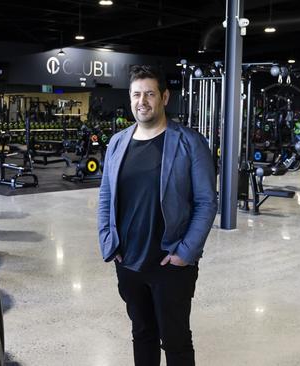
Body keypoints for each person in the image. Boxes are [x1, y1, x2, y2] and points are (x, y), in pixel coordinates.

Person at [97, 65, 217, 366]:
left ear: (164, 96)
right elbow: (105, 197)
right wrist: (109, 243)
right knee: (142, 334)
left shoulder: (190, 142)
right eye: (137, 94)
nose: (143, 101)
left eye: (150, 94)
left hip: (170, 263)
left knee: (176, 341)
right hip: (129, 262)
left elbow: (206, 202)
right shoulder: (117, 143)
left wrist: (185, 253)